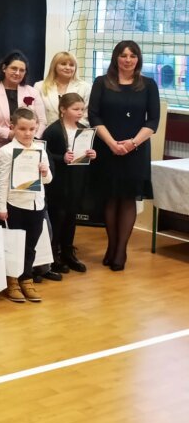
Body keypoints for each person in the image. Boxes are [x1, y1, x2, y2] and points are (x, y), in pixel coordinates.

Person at [88, 40, 160, 271]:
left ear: (138, 59)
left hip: (135, 150)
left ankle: (120, 251)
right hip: (107, 147)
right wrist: (111, 143)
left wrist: (132, 143)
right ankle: (111, 247)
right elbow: (94, 116)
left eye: (132, 55)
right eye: (123, 55)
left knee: (128, 199)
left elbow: (153, 121)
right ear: (115, 58)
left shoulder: (148, 85)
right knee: (110, 198)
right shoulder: (101, 82)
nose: (128, 60)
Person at [0, 108, 53, 302]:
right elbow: (2, 181)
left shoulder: (40, 149)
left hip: (36, 205)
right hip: (15, 204)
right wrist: (1, 207)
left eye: (31, 129)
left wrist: (45, 172)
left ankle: (26, 279)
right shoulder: (6, 151)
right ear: (13, 127)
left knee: (31, 245)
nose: (27, 133)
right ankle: (12, 281)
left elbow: (48, 180)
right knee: (13, 245)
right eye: (22, 129)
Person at [43, 93, 97, 273]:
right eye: (75, 109)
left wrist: (92, 154)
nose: (80, 113)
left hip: (76, 180)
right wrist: (62, 158)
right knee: (58, 216)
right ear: (63, 109)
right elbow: (46, 154)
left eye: (82, 109)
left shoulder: (84, 130)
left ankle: (68, 252)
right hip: (59, 182)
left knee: (71, 216)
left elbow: (86, 152)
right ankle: (53, 254)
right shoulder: (53, 130)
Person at [0, 51, 47, 167]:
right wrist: (8, 134)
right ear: (4, 68)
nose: (17, 73)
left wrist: (31, 137)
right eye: (14, 68)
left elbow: (42, 121)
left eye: (22, 70)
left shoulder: (33, 92)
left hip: (26, 152)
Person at [35, 51, 92, 126]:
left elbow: (86, 115)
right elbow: (36, 115)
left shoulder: (85, 87)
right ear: (54, 66)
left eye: (71, 65)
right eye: (63, 64)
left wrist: (70, 129)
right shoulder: (39, 86)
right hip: (47, 131)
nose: (68, 68)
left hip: (76, 130)